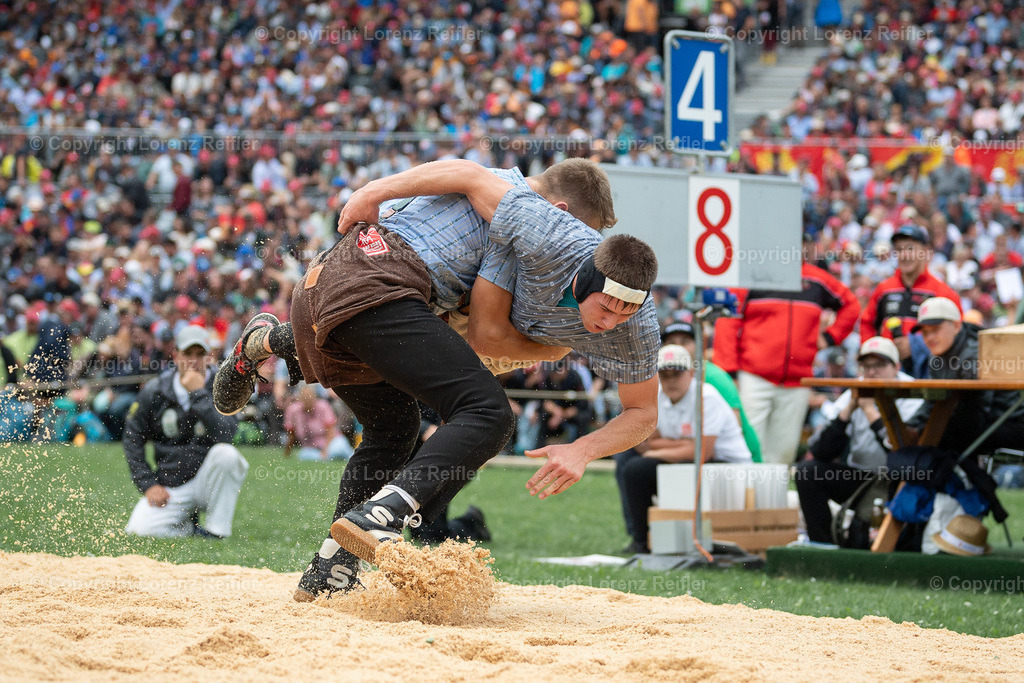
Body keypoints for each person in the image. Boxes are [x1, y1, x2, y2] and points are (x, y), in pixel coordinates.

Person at [213, 158, 660, 601]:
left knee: (396, 427)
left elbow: (642, 411)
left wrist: (584, 447)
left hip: (335, 292)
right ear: (561, 215)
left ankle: (332, 569)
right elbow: (486, 329)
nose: (586, 246)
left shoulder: (623, 312)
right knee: (487, 412)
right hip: (377, 276)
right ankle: (380, 515)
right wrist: (371, 192)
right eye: (586, 233)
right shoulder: (534, 218)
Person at [713, 237, 860, 464]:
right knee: (745, 449)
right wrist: (730, 373)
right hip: (753, 377)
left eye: (803, 242)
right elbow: (728, 321)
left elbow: (851, 305)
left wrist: (829, 337)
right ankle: (745, 500)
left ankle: (772, 500)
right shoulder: (753, 275)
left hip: (796, 383)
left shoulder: (817, 280)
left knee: (783, 454)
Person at [614, 345, 752, 554]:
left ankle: (650, 539)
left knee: (639, 468)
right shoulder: (657, 395)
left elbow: (703, 452)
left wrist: (659, 449)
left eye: (676, 374)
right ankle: (640, 538)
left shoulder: (707, 397)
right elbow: (644, 443)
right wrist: (680, 446)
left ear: (691, 373)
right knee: (628, 461)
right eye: (664, 374)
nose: (670, 380)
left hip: (728, 467)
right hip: (693, 461)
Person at [794, 337, 923, 546]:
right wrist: (848, 410)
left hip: (900, 480)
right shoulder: (855, 391)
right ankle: (823, 544)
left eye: (879, 365)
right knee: (807, 471)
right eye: (866, 366)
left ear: (896, 367)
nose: (871, 372)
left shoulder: (913, 393)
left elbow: (903, 454)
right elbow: (820, 451)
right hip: (861, 477)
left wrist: (871, 411)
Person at [124, 326, 247, 538]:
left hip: (209, 482)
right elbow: (133, 438)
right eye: (187, 354)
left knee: (228, 455)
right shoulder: (155, 390)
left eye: (200, 354)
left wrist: (198, 394)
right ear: (175, 355)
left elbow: (226, 433)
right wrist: (148, 484)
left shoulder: (224, 386)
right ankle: (189, 529)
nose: (193, 360)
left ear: (209, 357)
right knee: (138, 530)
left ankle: (217, 531)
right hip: (172, 485)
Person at [906, 297, 1024, 454]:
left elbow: (977, 411)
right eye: (925, 332)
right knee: (915, 435)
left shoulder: (978, 352)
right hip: (977, 422)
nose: (929, 338)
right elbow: (932, 400)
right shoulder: (936, 355)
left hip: (1008, 422)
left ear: (956, 325)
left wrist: (924, 430)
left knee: (938, 439)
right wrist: (912, 424)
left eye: (935, 330)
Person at [859, 224, 962, 378]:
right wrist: (875, 352)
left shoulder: (942, 292)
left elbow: (957, 331)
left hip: (929, 373)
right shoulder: (884, 289)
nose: (904, 255)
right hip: (888, 374)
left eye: (910, 249)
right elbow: (867, 323)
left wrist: (916, 345)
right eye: (899, 250)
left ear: (926, 251)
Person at [661, 321, 761, 462]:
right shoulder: (661, 377)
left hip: (729, 458)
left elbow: (734, 425)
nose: (678, 347)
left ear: (698, 345)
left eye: (684, 342)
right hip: (697, 450)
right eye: (671, 342)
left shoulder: (714, 378)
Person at [282, 382, 354, 461]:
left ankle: (348, 456)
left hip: (331, 442)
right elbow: (291, 434)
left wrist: (325, 452)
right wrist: (287, 453)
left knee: (337, 449)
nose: (307, 400)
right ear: (299, 398)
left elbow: (330, 432)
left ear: (314, 396)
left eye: (309, 397)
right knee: (303, 455)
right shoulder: (293, 410)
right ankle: (327, 458)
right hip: (311, 448)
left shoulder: (323, 406)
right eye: (304, 397)